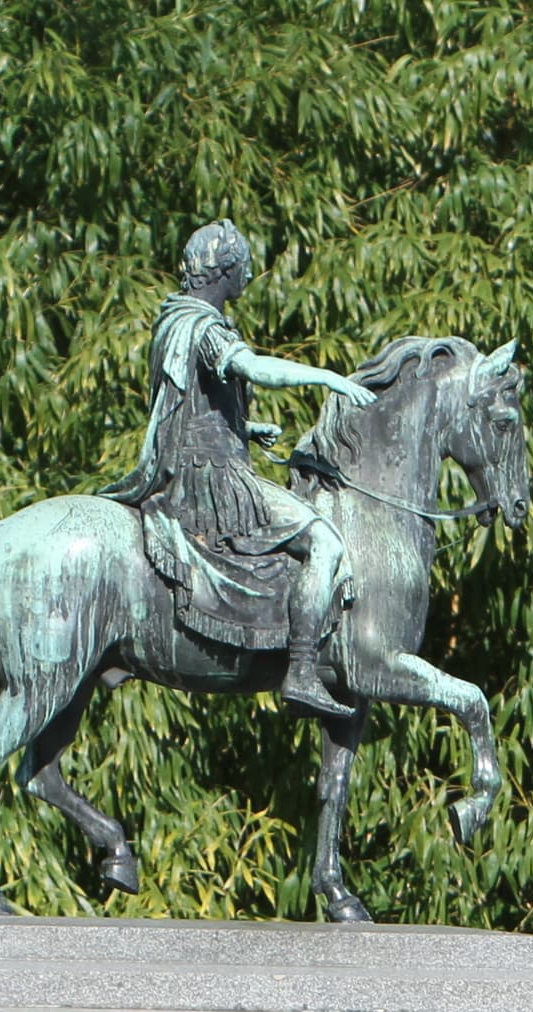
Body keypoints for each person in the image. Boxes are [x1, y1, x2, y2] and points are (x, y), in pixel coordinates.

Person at [104, 221, 377, 719]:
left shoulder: (174, 319)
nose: (248, 274)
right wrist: (327, 377)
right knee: (327, 544)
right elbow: (253, 368)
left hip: (205, 460)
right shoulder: (202, 326)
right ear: (225, 270)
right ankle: (300, 670)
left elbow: (184, 409)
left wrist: (244, 430)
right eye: (243, 266)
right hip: (212, 481)